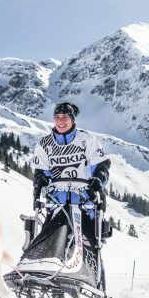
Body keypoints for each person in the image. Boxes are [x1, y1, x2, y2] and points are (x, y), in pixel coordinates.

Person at [22, 101, 110, 264]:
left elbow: (102, 165)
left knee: (91, 244)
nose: (60, 121)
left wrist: (98, 179)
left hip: (84, 202)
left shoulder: (85, 139)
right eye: (57, 117)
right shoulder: (45, 143)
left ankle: (92, 271)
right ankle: (39, 264)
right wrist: (41, 180)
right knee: (50, 238)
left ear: (72, 119)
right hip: (57, 202)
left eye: (64, 117)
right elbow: (41, 171)